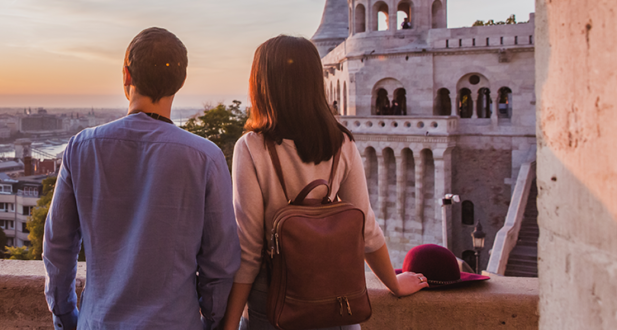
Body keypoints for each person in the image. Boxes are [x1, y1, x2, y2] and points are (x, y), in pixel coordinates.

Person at [221, 36, 426, 330]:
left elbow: (250, 249)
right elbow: (365, 227)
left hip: (274, 304)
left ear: (262, 83)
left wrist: (229, 324)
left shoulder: (252, 147)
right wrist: (394, 284)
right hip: (337, 303)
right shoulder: (341, 141)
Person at [44, 27, 240, 330]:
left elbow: (58, 249)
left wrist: (67, 319)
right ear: (180, 82)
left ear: (126, 75)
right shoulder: (205, 157)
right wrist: (212, 322)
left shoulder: (82, 148)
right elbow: (221, 265)